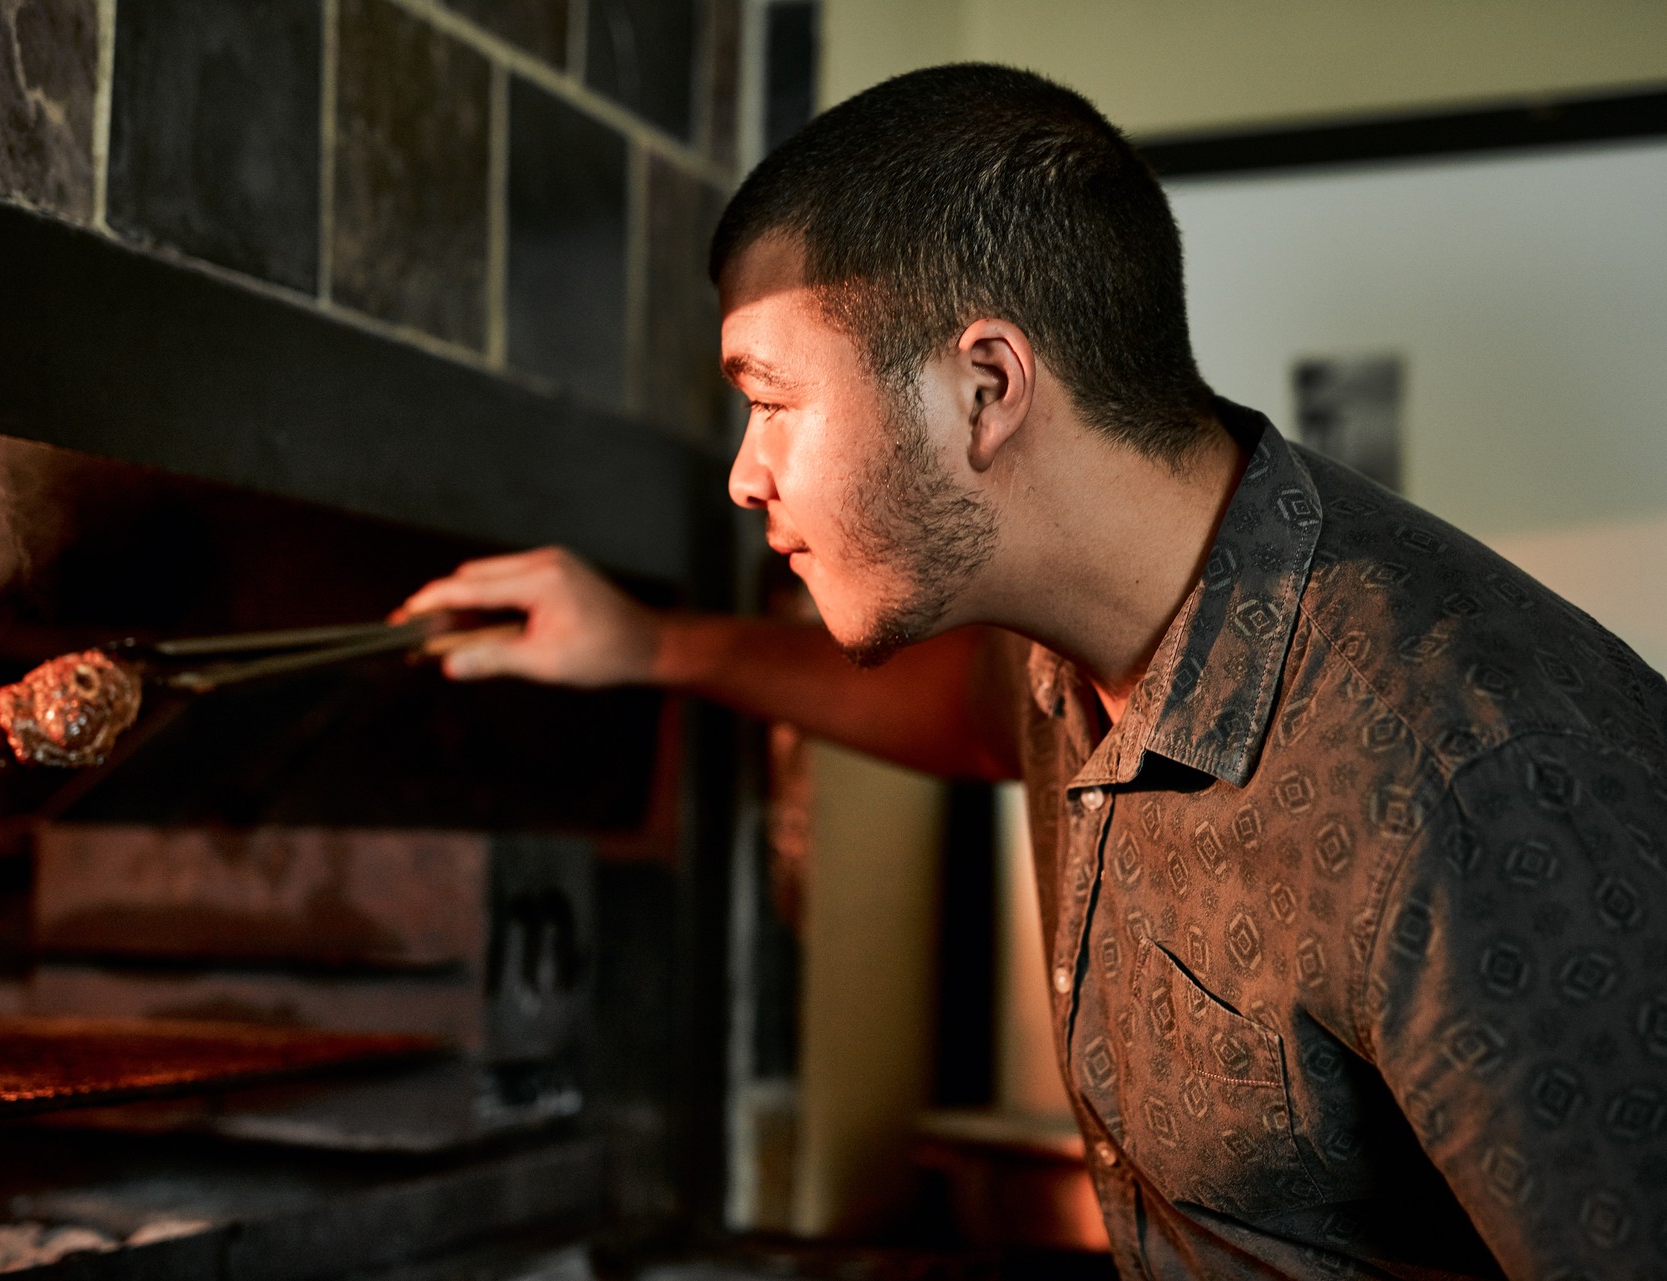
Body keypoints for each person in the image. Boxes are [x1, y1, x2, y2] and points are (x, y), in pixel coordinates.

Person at [400, 64, 1667, 1281]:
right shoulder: (1097, 639)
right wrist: (654, 648)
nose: (745, 472)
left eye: (772, 401)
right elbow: (968, 712)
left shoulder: (1472, 786)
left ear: (984, 387)